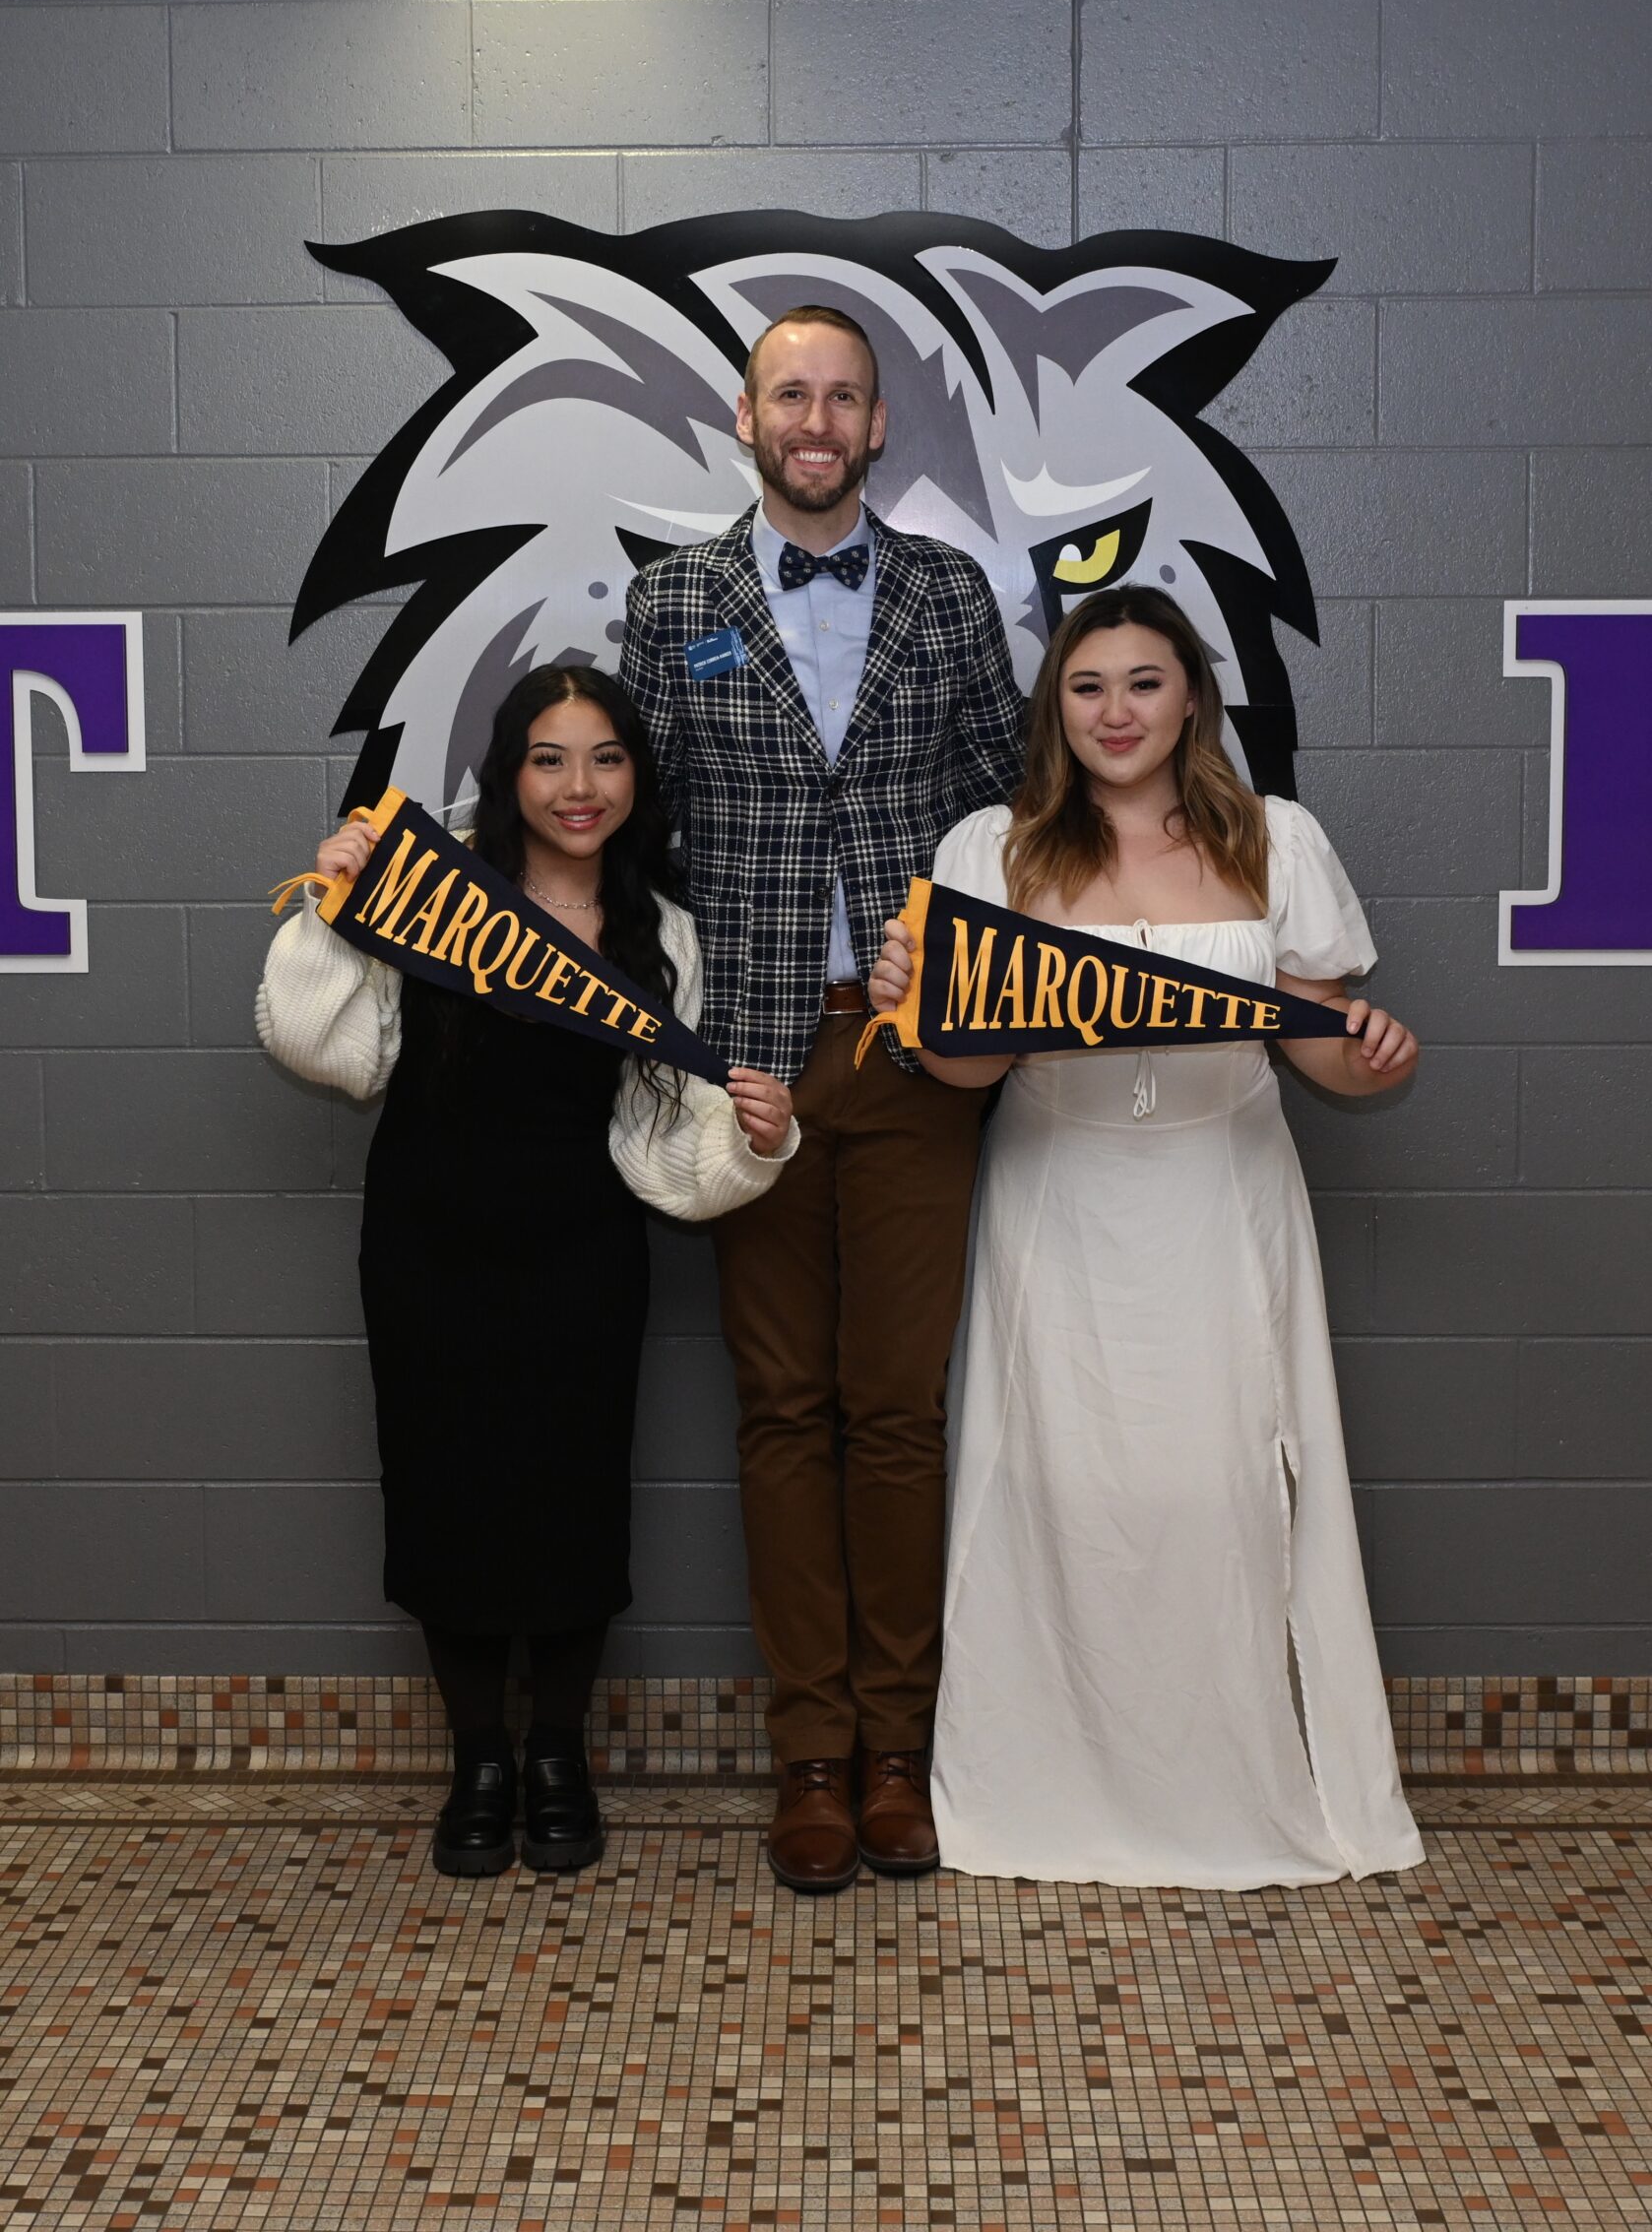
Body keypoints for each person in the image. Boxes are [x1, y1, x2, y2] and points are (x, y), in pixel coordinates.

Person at [868, 585, 1425, 1889]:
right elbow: (958, 1076)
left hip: (1219, 1198)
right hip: (1056, 1203)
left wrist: (1369, 1049)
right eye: (1087, 685)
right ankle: (1041, 1790)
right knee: (1055, 1492)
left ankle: (1229, 1785)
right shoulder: (989, 852)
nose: (1115, 711)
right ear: (1054, 707)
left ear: (1190, 700)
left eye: (1142, 682)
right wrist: (918, 1005)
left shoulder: (1273, 843)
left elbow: (1324, 1055)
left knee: (1221, 1494)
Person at [256, 666, 795, 1881]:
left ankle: (557, 1754)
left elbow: (670, 1147)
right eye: (549, 758)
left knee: (570, 1499)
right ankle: (479, 1761)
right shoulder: (434, 892)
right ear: (509, 773)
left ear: (635, 778)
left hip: (582, 1255)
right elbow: (321, 1050)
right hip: (426, 1245)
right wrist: (333, 909)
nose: (578, 786)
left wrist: (756, 1139)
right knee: (446, 1495)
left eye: (605, 758)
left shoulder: (664, 932)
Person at [620, 304, 1025, 1892]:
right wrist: (402, 873)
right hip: (755, 1069)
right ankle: (805, 1755)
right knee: (781, 1409)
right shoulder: (673, 602)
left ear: (876, 430)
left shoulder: (946, 592)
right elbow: (606, 816)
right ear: (744, 414)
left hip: (915, 1059)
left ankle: (897, 1753)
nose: (814, 417)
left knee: (898, 1413)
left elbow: (1007, 812)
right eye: (789, 390)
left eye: (841, 396)